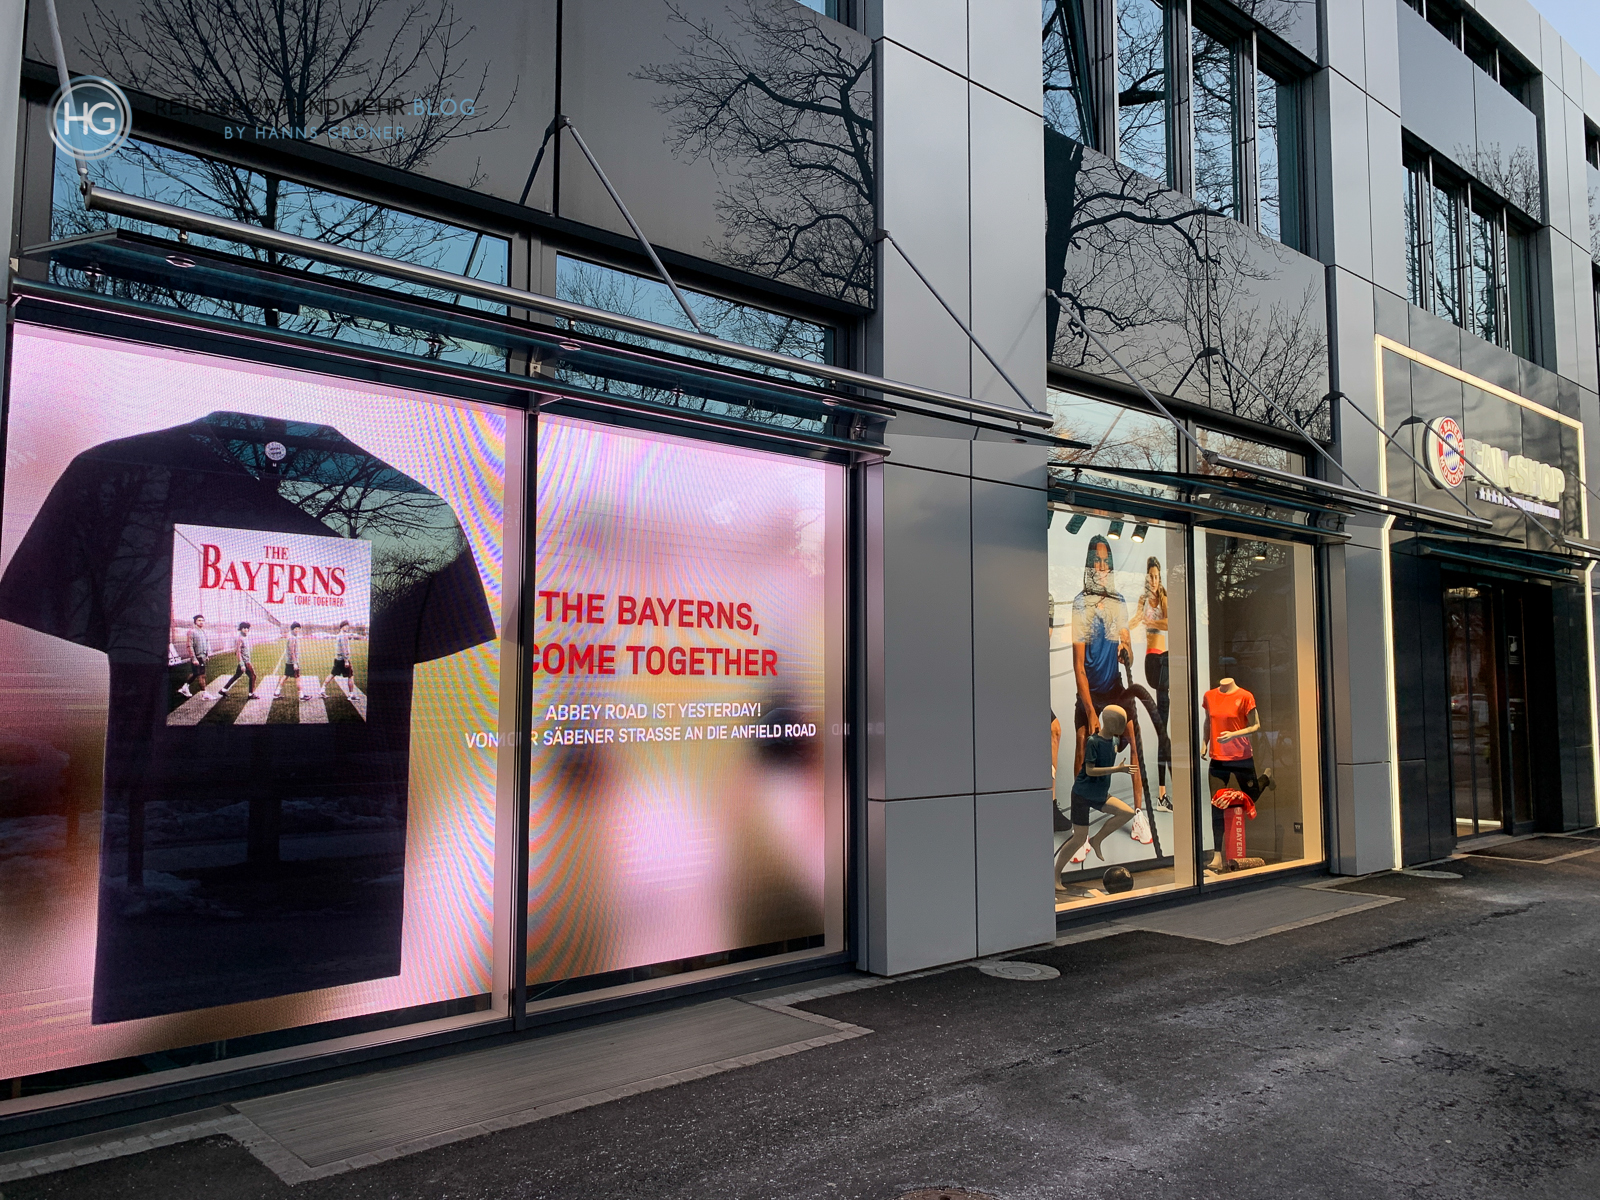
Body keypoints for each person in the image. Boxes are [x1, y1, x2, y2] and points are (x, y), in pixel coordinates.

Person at [1054, 705, 1140, 888]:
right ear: (1110, 723)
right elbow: (1090, 770)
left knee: (1127, 812)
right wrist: (1117, 770)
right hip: (1083, 795)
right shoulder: (1094, 741)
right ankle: (1055, 875)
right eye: (1120, 722)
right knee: (1078, 838)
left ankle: (1097, 839)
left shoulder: (1115, 742)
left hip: (1100, 795)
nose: (1123, 726)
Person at [1201, 675, 1261, 869]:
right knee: (1216, 804)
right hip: (1218, 758)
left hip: (1241, 756)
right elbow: (1207, 722)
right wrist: (1204, 743)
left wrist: (1233, 734)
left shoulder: (1245, 696)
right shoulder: (1209, 696)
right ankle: (1217, 855)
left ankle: (1266, 778)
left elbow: (1256, 725)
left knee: (1252, 794)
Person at [1128, 556, 1171, 810]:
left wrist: (1151, 621)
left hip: (1165, 660)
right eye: (1150, 577)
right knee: (1161, 728)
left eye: (1156, 576)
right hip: (1152, 662)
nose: (1153, 581)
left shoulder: (1164, 597)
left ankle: (1162, 794)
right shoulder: (1143, 599)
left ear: (1160, 577)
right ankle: (1162, 796)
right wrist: (1127, 625)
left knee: (1162, 728)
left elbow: (1169, 622)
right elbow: (1135, 619)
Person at [222, 620, 259, 699]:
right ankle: (251, 694)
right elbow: (238, 652)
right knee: (253, 676)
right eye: (244, 628)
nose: (246, 629)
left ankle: (223, 690)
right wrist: (242, 664)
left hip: (246, 661)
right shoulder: (240, 639)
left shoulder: (246, 637)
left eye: (247, 628)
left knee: (236, 676)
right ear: (240, 629)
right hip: (245, 662)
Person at [177, 614, 210, 699]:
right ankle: (204, 693)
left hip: (202, 656)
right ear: (195, 621)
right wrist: (194, 658)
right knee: (202, 675)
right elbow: (189, 646)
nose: (201, 622)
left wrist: (207, 654)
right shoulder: (191, 632)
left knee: (196, 673)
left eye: (203, 620)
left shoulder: (203, 631)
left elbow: (206, 643)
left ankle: (184, 687)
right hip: (197, 657)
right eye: (199, 620)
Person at [323, 620, 355, 698]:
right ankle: (351, 694)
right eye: (346, 626)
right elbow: (344, 649)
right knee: (350, 676)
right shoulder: (343, 635)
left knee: (332, 674)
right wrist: (346, 660)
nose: (347, 627)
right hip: (343, 660)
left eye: (348, 626)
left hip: (338, 659)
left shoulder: (339, 635)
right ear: (342, 626)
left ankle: (322, 689)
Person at [276, 621, 303, 700]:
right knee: (298, 677)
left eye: (298, 628)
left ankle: (277, 692)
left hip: (290, 661)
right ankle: (301, 695)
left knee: (286, 676)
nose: (297, 630)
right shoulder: (292, 638)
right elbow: (291, 650)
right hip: (292, 661)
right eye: (296, 628)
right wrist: (295, 663)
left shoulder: (293, 636)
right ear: (292, 629)